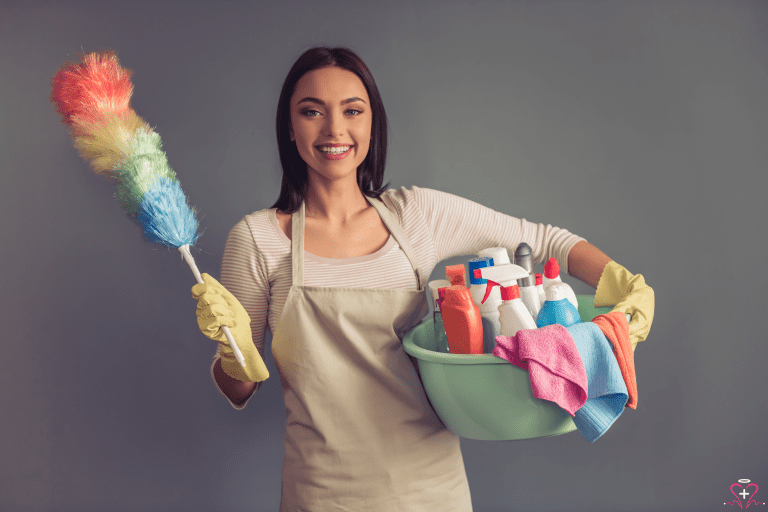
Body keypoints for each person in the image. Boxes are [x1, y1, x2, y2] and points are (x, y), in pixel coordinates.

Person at [192, 46, 654, 512]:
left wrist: (622, 281)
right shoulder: (257, 240)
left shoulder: (415, 217)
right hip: (320, 494)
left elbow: (545, 240)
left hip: (430, 490)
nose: (334, 130)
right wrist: (235, 356)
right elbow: (239, 391)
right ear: (290, 128)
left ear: (372, 124)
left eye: (352, 111)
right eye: (312, 112)